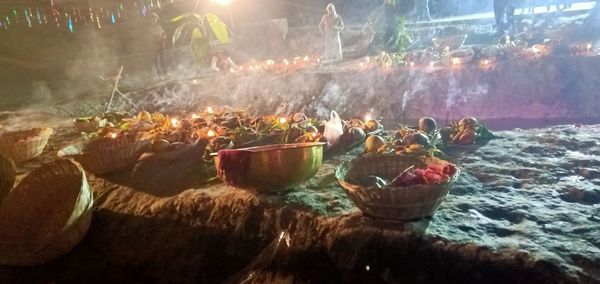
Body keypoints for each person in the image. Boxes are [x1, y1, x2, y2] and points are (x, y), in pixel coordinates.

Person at [151, 13, 167, 79]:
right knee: (156, 60)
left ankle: (165, 74)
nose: (154, 20)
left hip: (161, 44)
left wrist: (163, 38)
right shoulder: (151, 28)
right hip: (154, 45)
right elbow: (150, 37)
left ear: (157, 19)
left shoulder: (159, 26)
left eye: (155, 19)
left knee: (161, 60)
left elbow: (164, 34)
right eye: (153, 19)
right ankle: (159, 75)